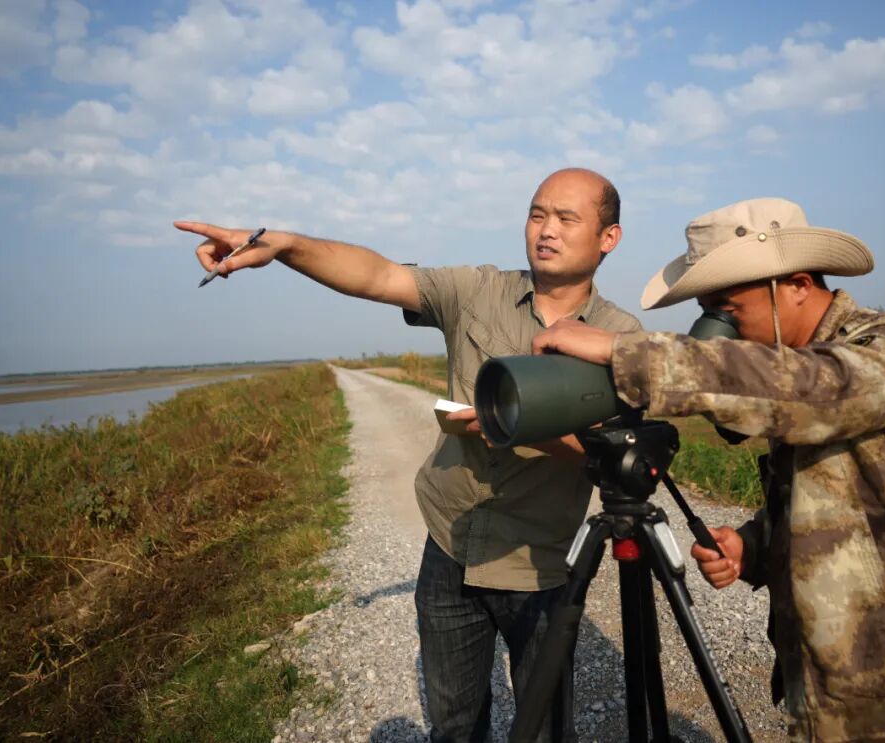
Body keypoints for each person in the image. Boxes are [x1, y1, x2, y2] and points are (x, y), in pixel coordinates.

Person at [174, 168, 642, 742]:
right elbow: (378, 275)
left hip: (538, 564)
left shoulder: (620, 337)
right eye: (537, 214)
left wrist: (511, 426)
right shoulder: (477, 290)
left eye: (567, 218)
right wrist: (285, 246)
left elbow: (614, 452)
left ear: (608, 237)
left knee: (544, 729)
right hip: (450, 544)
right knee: (454, 727)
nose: (546, 230)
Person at [530, 198, 885, 742]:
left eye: (728, 311)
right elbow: (840, 501)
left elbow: (816, 389)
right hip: (835, 684)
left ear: (799, 285)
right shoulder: (796, 369)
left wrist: (626, 353)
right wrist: (752, 545)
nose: (722, 330)